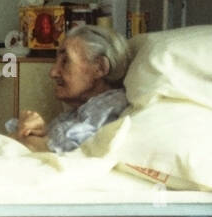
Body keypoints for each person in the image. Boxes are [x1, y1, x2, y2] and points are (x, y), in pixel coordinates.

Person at [13, 24, 130, 153]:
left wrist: (27, 134)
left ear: (100, 67)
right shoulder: (79, 112)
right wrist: (34, 128)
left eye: (65, 61)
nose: (53, 72)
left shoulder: (110, 109)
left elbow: (55, 152)